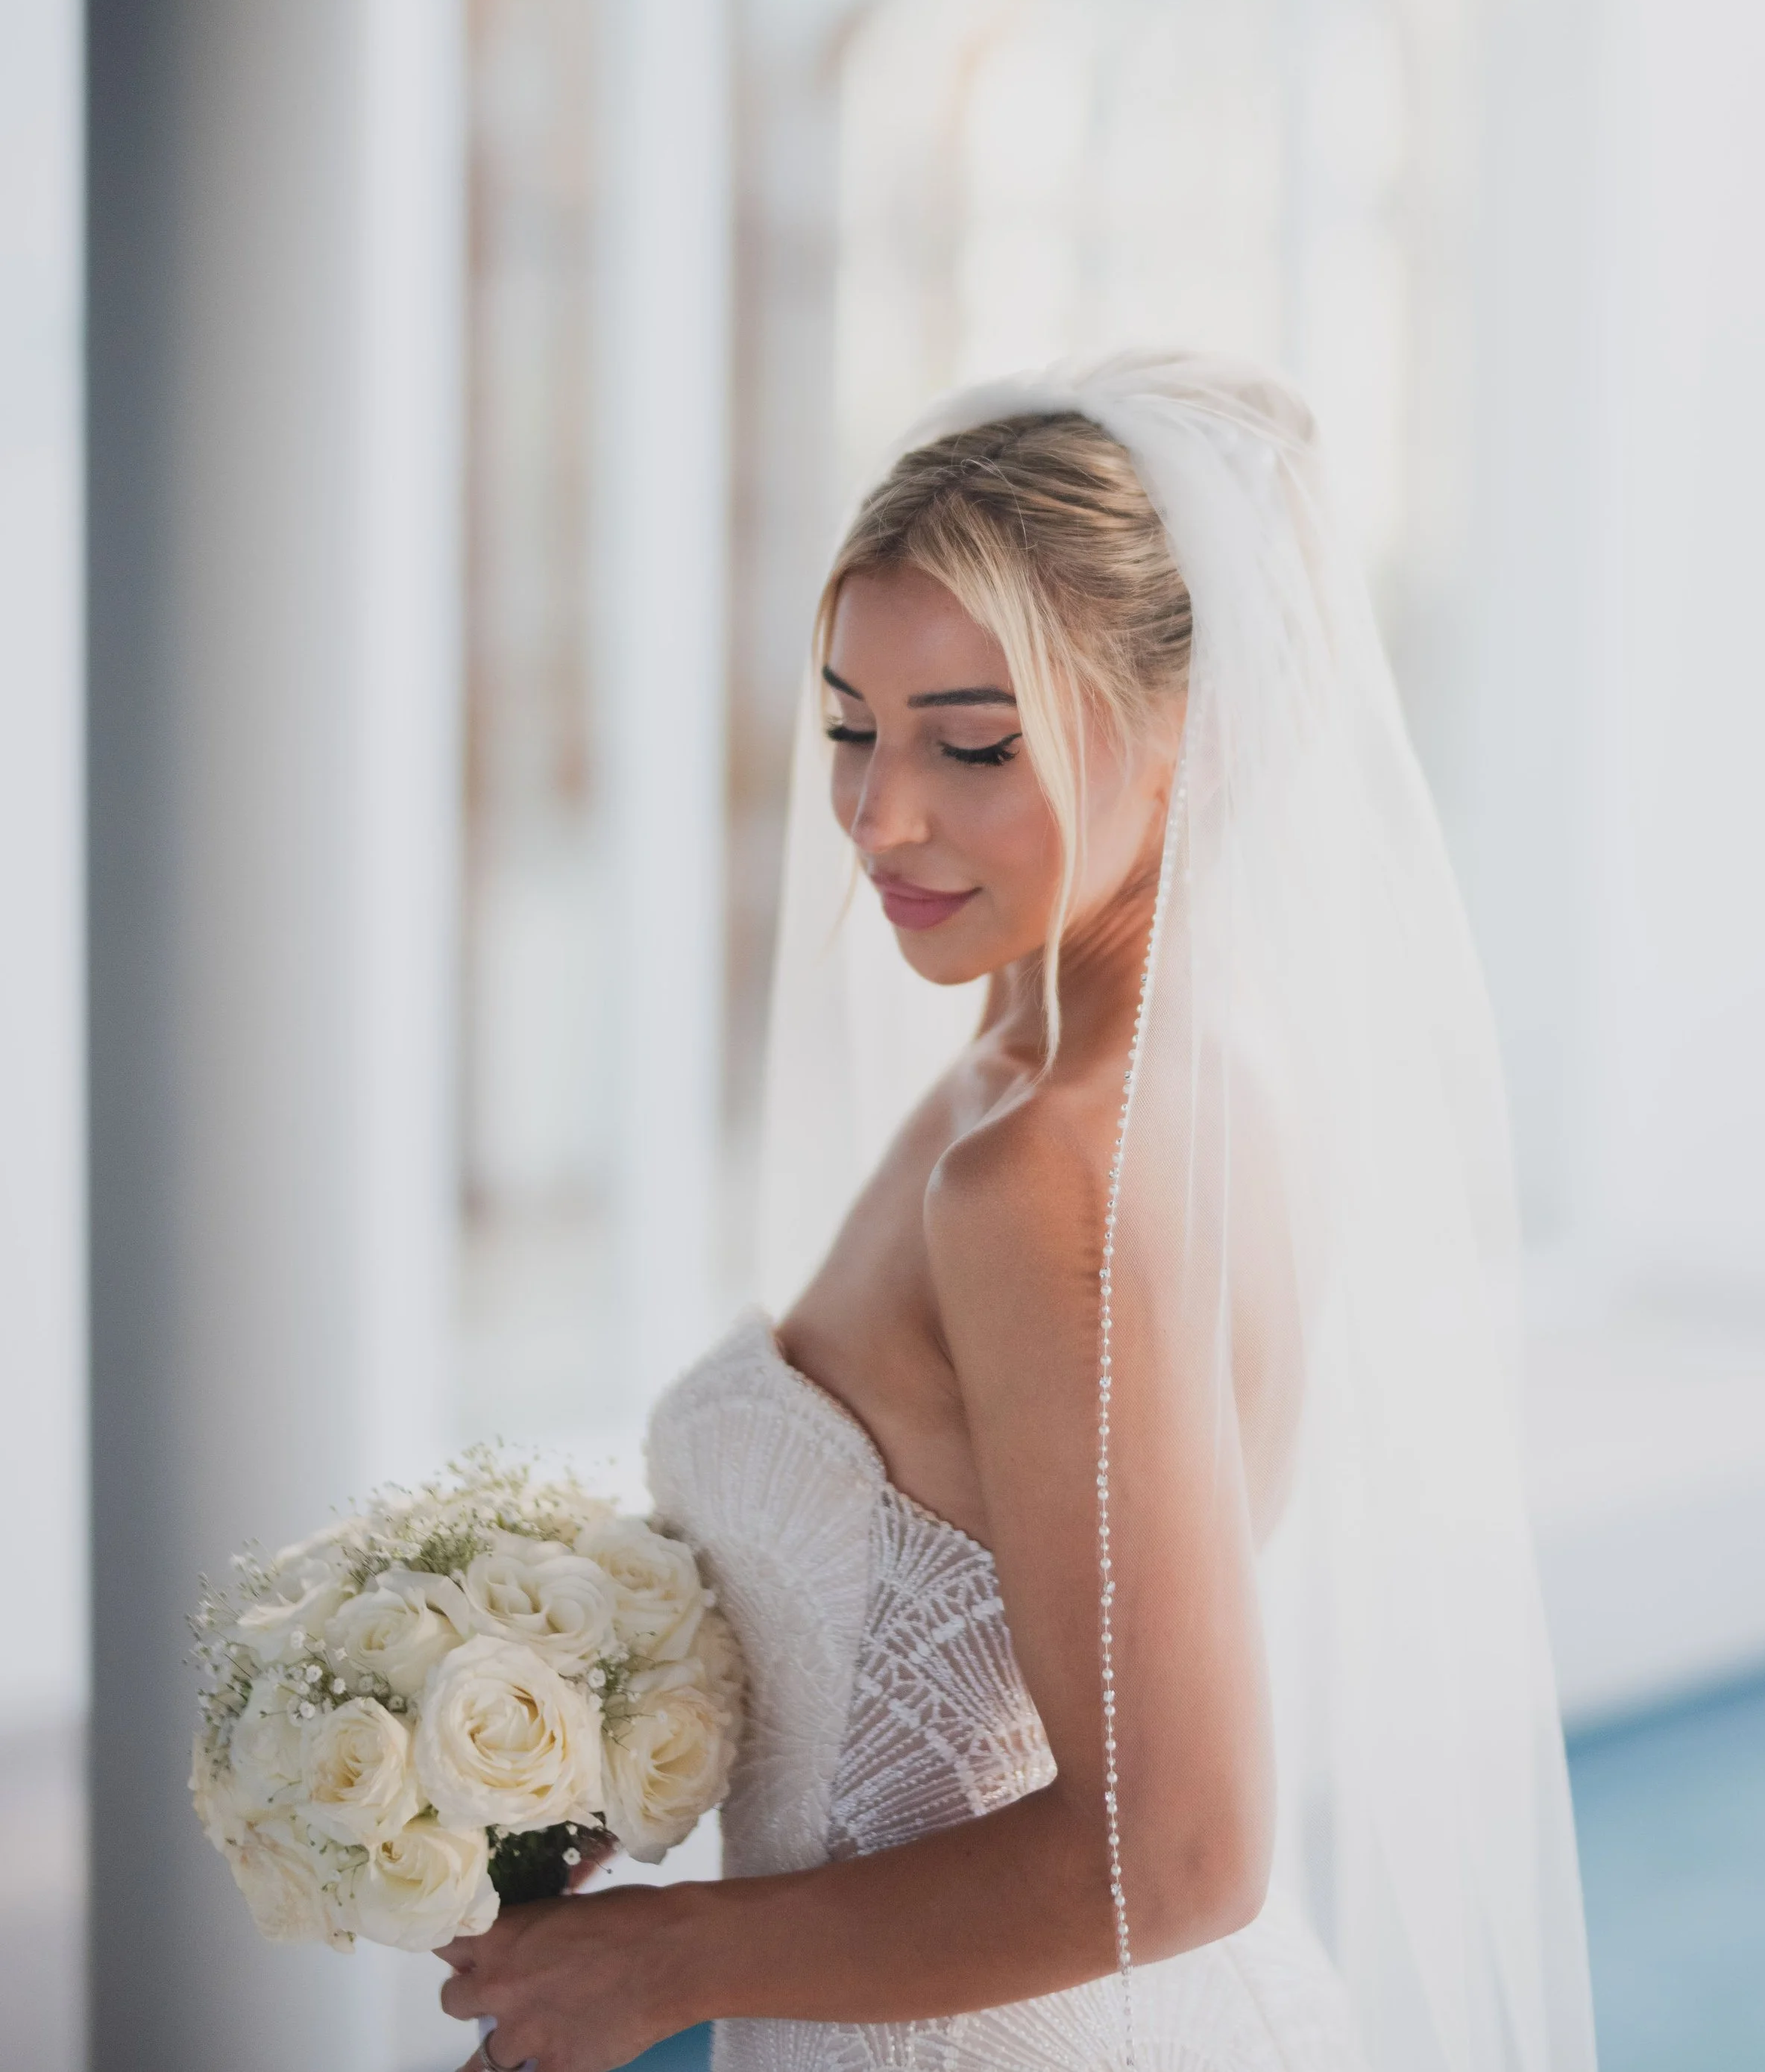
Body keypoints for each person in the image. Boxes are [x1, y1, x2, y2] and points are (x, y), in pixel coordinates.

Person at [439, 353, 1596, 2072]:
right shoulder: (1058, 1054)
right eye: (848, 725)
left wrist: (663, 1958)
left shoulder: (1052, 1164)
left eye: (972, 744)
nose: (879, 815)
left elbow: (1182, 1851)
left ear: (1188, 728)